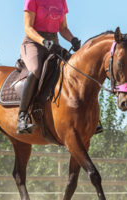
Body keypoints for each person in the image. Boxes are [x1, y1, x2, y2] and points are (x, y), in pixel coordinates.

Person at [18, 0, 81, 134]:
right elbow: (28, 28)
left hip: (53, 43)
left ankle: (85, 115)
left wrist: (72, 39)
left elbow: (63, 28)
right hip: (33, 43)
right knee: (35, 70)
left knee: (76, 70)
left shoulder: (61, 2)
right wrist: (43, 41)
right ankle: (22, 117)